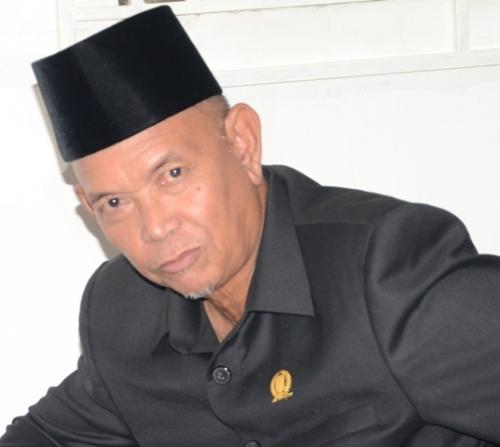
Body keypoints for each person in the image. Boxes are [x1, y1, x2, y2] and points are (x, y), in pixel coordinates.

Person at [2, 5, 500, 447]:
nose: (155, 228)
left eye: (172, 175)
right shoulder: (121, 310)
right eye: (114, 202)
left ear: (242, 143)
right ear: (88, 208)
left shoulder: (387, 272)